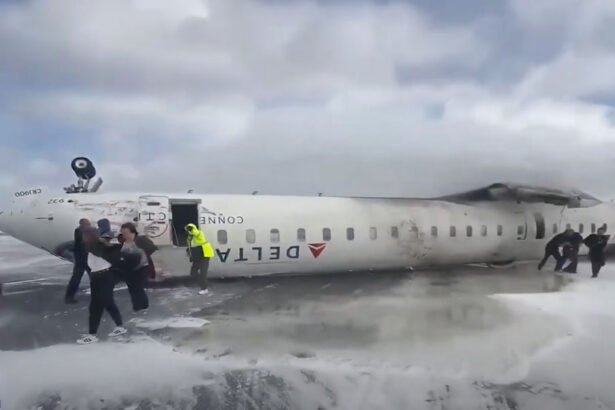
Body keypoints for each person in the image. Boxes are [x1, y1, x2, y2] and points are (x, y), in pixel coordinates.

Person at [76, 227, 128, 344]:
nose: (83, 238)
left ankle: (120, 326)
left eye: (85, 235)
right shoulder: (91, 245)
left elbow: (107, 248)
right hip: (96, 277)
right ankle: (92, 334)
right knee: (95, 306)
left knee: (107, 301)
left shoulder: (99, 245)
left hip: (105, 276)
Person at [118, 222, 150, 311]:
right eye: (123, 233)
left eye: (127, 233)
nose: (125, 235)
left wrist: (136, 266)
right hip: (128, 268)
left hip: (140, 268)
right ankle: (136, 305)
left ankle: (143, 305)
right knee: (131, 287)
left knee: (138, 287)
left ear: (133, 232)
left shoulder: (139, 242)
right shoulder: (123, 243)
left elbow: (144, 258)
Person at [65, 218, 91, 304]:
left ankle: (69, 297)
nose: (89, 225)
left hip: (84, 259)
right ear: (82, 224)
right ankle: (69, 297)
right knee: (76, 279)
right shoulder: (80, 232)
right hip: (82, 259)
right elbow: (82, 243)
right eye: (87, 224)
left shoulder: (81, 231)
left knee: (76, 278)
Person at [185, 223, 215, 295]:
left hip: (205, 254)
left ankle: (204, 288)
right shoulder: (190, 237)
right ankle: (203, 283)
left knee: (203, 272)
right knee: (193, 273)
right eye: (187, 229)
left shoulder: (199, 233)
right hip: (197, 256)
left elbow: (196, 232)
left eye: (190, 229)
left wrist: (192, 229)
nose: (189, 231)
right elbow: (189, 245)